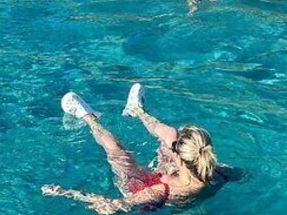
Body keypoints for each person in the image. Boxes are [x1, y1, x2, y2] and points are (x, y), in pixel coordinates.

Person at [43, 84, 226, 214]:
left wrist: (65, 193)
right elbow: (240, 175)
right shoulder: (221, 172)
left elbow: (114, 206)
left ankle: (88, 117)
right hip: (173, 175)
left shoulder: (160, 191)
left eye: (175, 146)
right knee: (170, 133)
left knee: (115, 148)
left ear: (178, 157)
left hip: (140, 185)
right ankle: (137, 110)